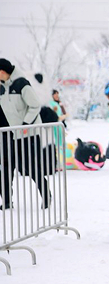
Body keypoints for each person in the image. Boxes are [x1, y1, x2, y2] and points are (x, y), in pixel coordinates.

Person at [0, 59, 49, 210]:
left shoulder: (21, 84)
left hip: (27, 134)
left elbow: (35, 106)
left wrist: (25, 125)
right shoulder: (1, 87)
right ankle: (6, 201)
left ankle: (46, 195)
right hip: (8, 134)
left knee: (31, 167)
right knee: (6, 169)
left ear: (3, 72)